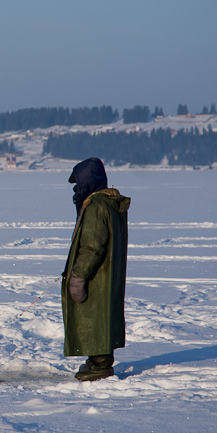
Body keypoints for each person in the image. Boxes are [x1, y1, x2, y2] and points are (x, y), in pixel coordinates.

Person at [61, 157, 130, 381]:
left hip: (98, 276)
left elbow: (92, 247)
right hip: (105, 275)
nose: (76, 190)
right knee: (100, 316)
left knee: (96, 315)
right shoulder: (108, 204)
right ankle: (97, 358)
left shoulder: (97, 207)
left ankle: (101, 364)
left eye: (78, 184)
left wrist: (78, 277)